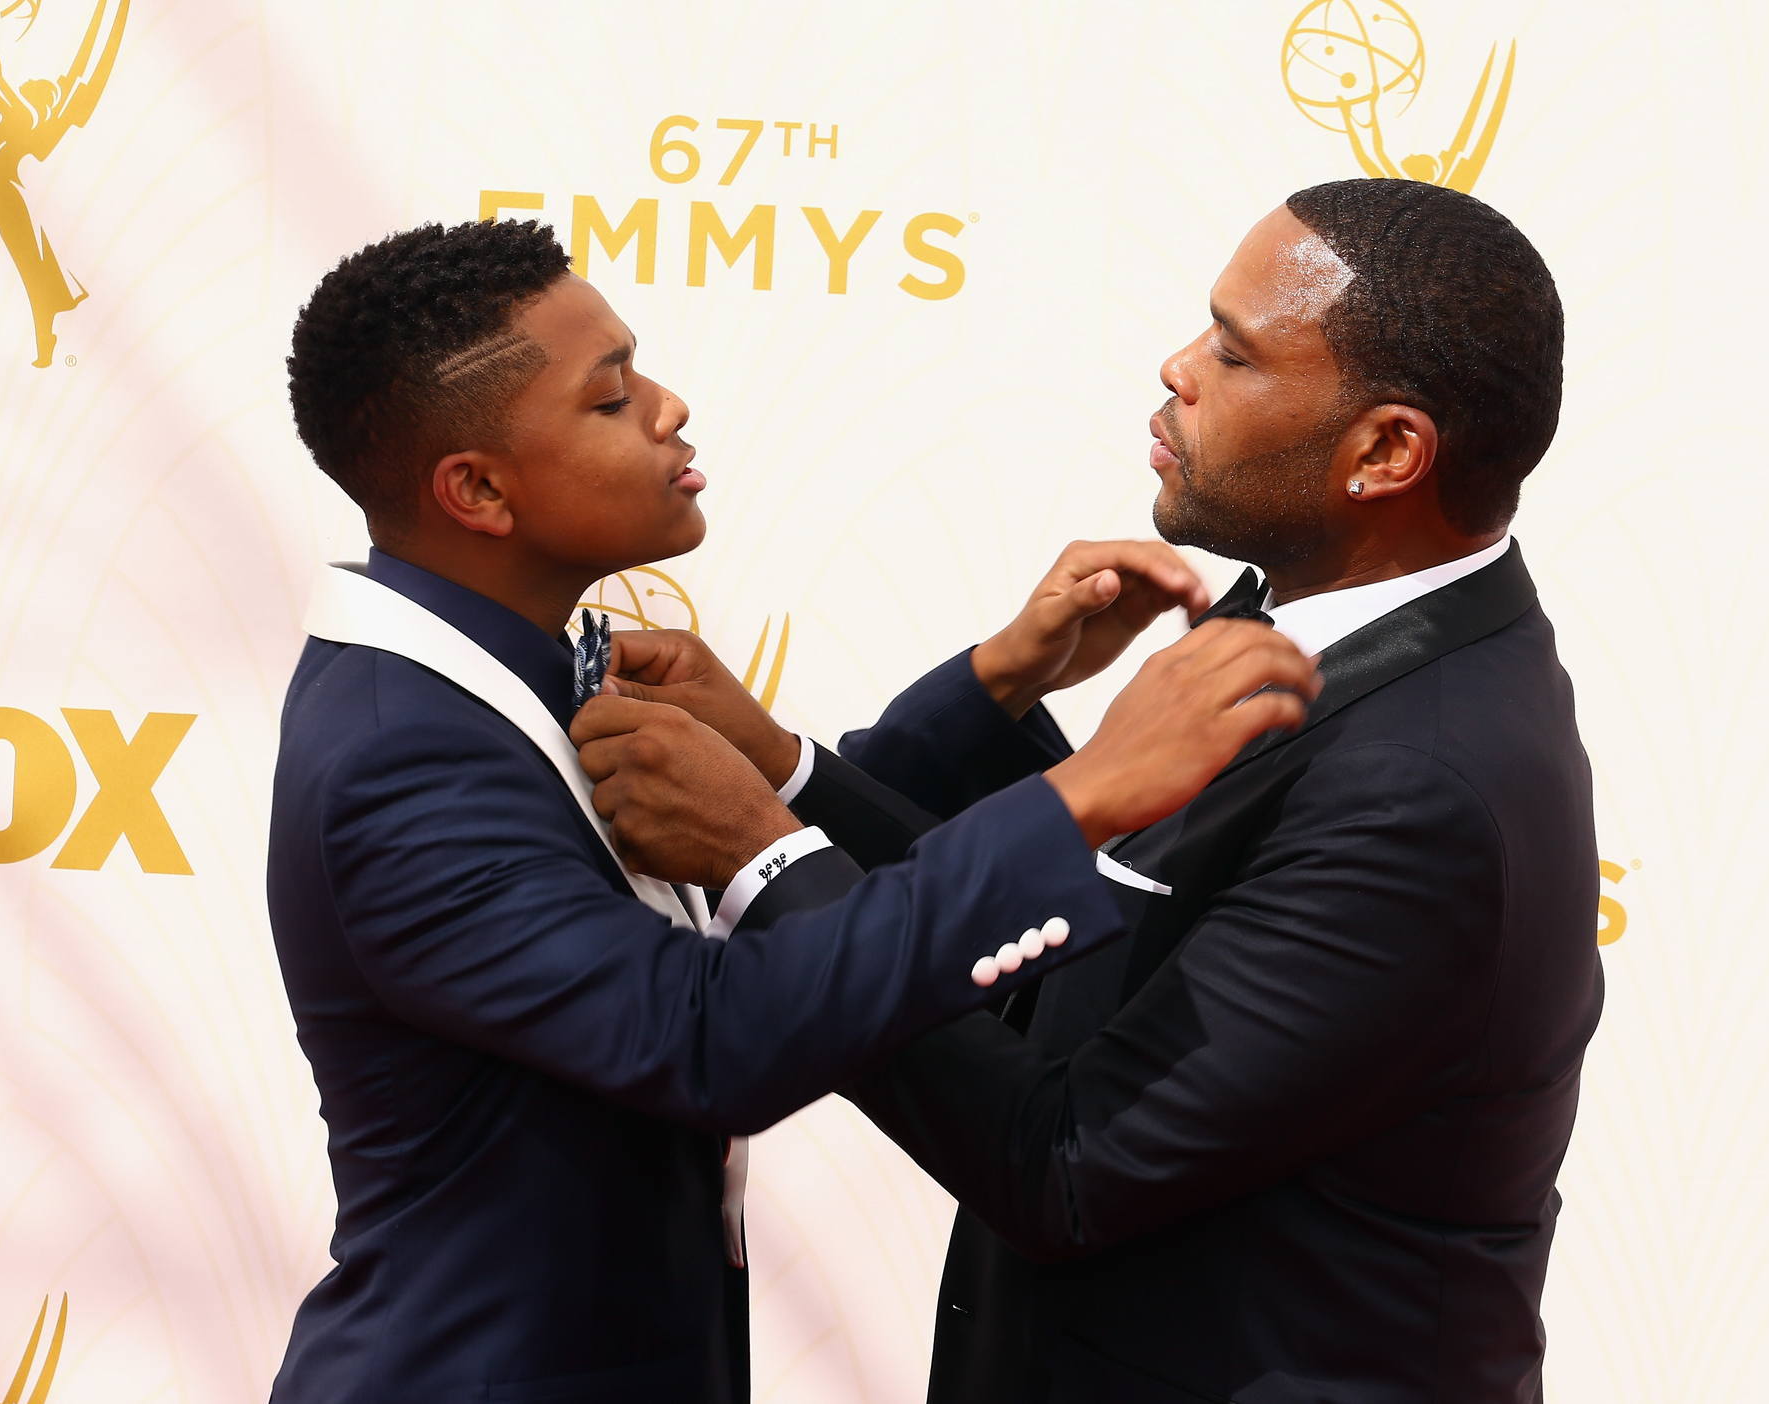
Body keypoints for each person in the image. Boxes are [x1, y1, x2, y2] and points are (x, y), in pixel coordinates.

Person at [265, 218, 1319, 1404]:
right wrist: (1075, 802)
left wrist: (995, 687)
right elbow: (701, 1036)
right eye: (610, 402)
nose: (668, 408)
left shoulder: (515, 669)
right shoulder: (399, 757)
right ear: (476, 490)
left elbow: (732, 853)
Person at [594, 179, 1602, 1403]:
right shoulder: (1288, 620)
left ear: (1384, 452)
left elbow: (1068, 1163)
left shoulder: (1416, 791)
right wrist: (783, 768)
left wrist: (764, 856)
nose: (1177, 367)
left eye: (1233, 353)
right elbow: (1067, 973)